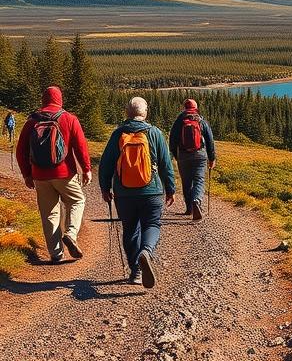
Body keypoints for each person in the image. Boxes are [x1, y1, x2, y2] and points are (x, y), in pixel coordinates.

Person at [99, 96, 175, 288]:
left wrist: (105, 188)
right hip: (152, 191)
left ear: (127, 112)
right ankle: (147, 252)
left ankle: (136, 271)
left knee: (130, 229)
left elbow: (106, 165)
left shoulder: (118, 135)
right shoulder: (155, 133)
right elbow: (166, 164)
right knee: (152, 224)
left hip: (124, 194)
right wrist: (170, 189)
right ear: (145, 112)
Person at [15, 86, 91, 262]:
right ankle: (71, 233)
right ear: (60, 99)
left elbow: (21, 151)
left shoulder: (32, 121)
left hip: (40, 175)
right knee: (77, 200)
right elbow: (80, 147)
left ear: (44, 100)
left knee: (49, 212)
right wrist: (86, 169)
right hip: (65, 173)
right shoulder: (69, 118)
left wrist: (27, 174)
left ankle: (56, 254)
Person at [168, 98, 216, 220]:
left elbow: (172, 140)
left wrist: (176, 155)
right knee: (199, 180)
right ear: (196, 107)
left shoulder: (180, 120)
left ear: (184, 108)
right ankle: (196, 201)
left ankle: (189, 208)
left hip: (183, 156)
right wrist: (212, 158)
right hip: (200, 155)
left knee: (187, 182)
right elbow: (210, 140)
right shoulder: (200, 120)